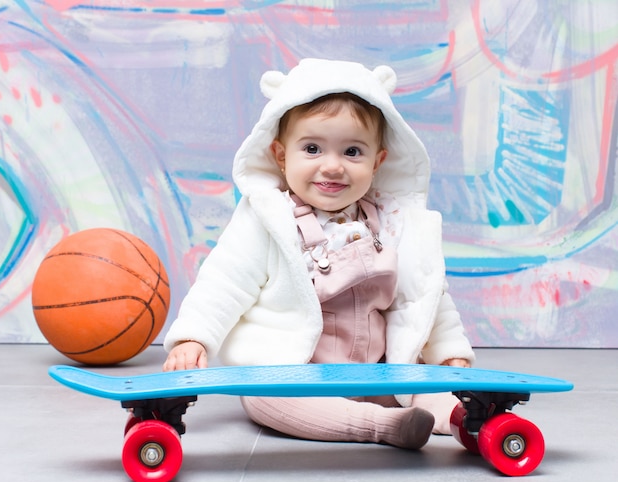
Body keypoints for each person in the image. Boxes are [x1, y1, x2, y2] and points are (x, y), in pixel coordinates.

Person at [163, 58, 475, 450]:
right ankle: (381, 427)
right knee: (264, 397)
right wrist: (194, 339)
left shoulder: (394, 222)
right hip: (297, 375)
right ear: (281, 155)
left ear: (378, 162)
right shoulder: (268, 220)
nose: (332, 166)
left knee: (427, 386)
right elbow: (224, 282)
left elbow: (427, 293)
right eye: (312, 148)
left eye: (352, 152)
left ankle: (467, 420)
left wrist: (448, 354)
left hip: (381, 375)